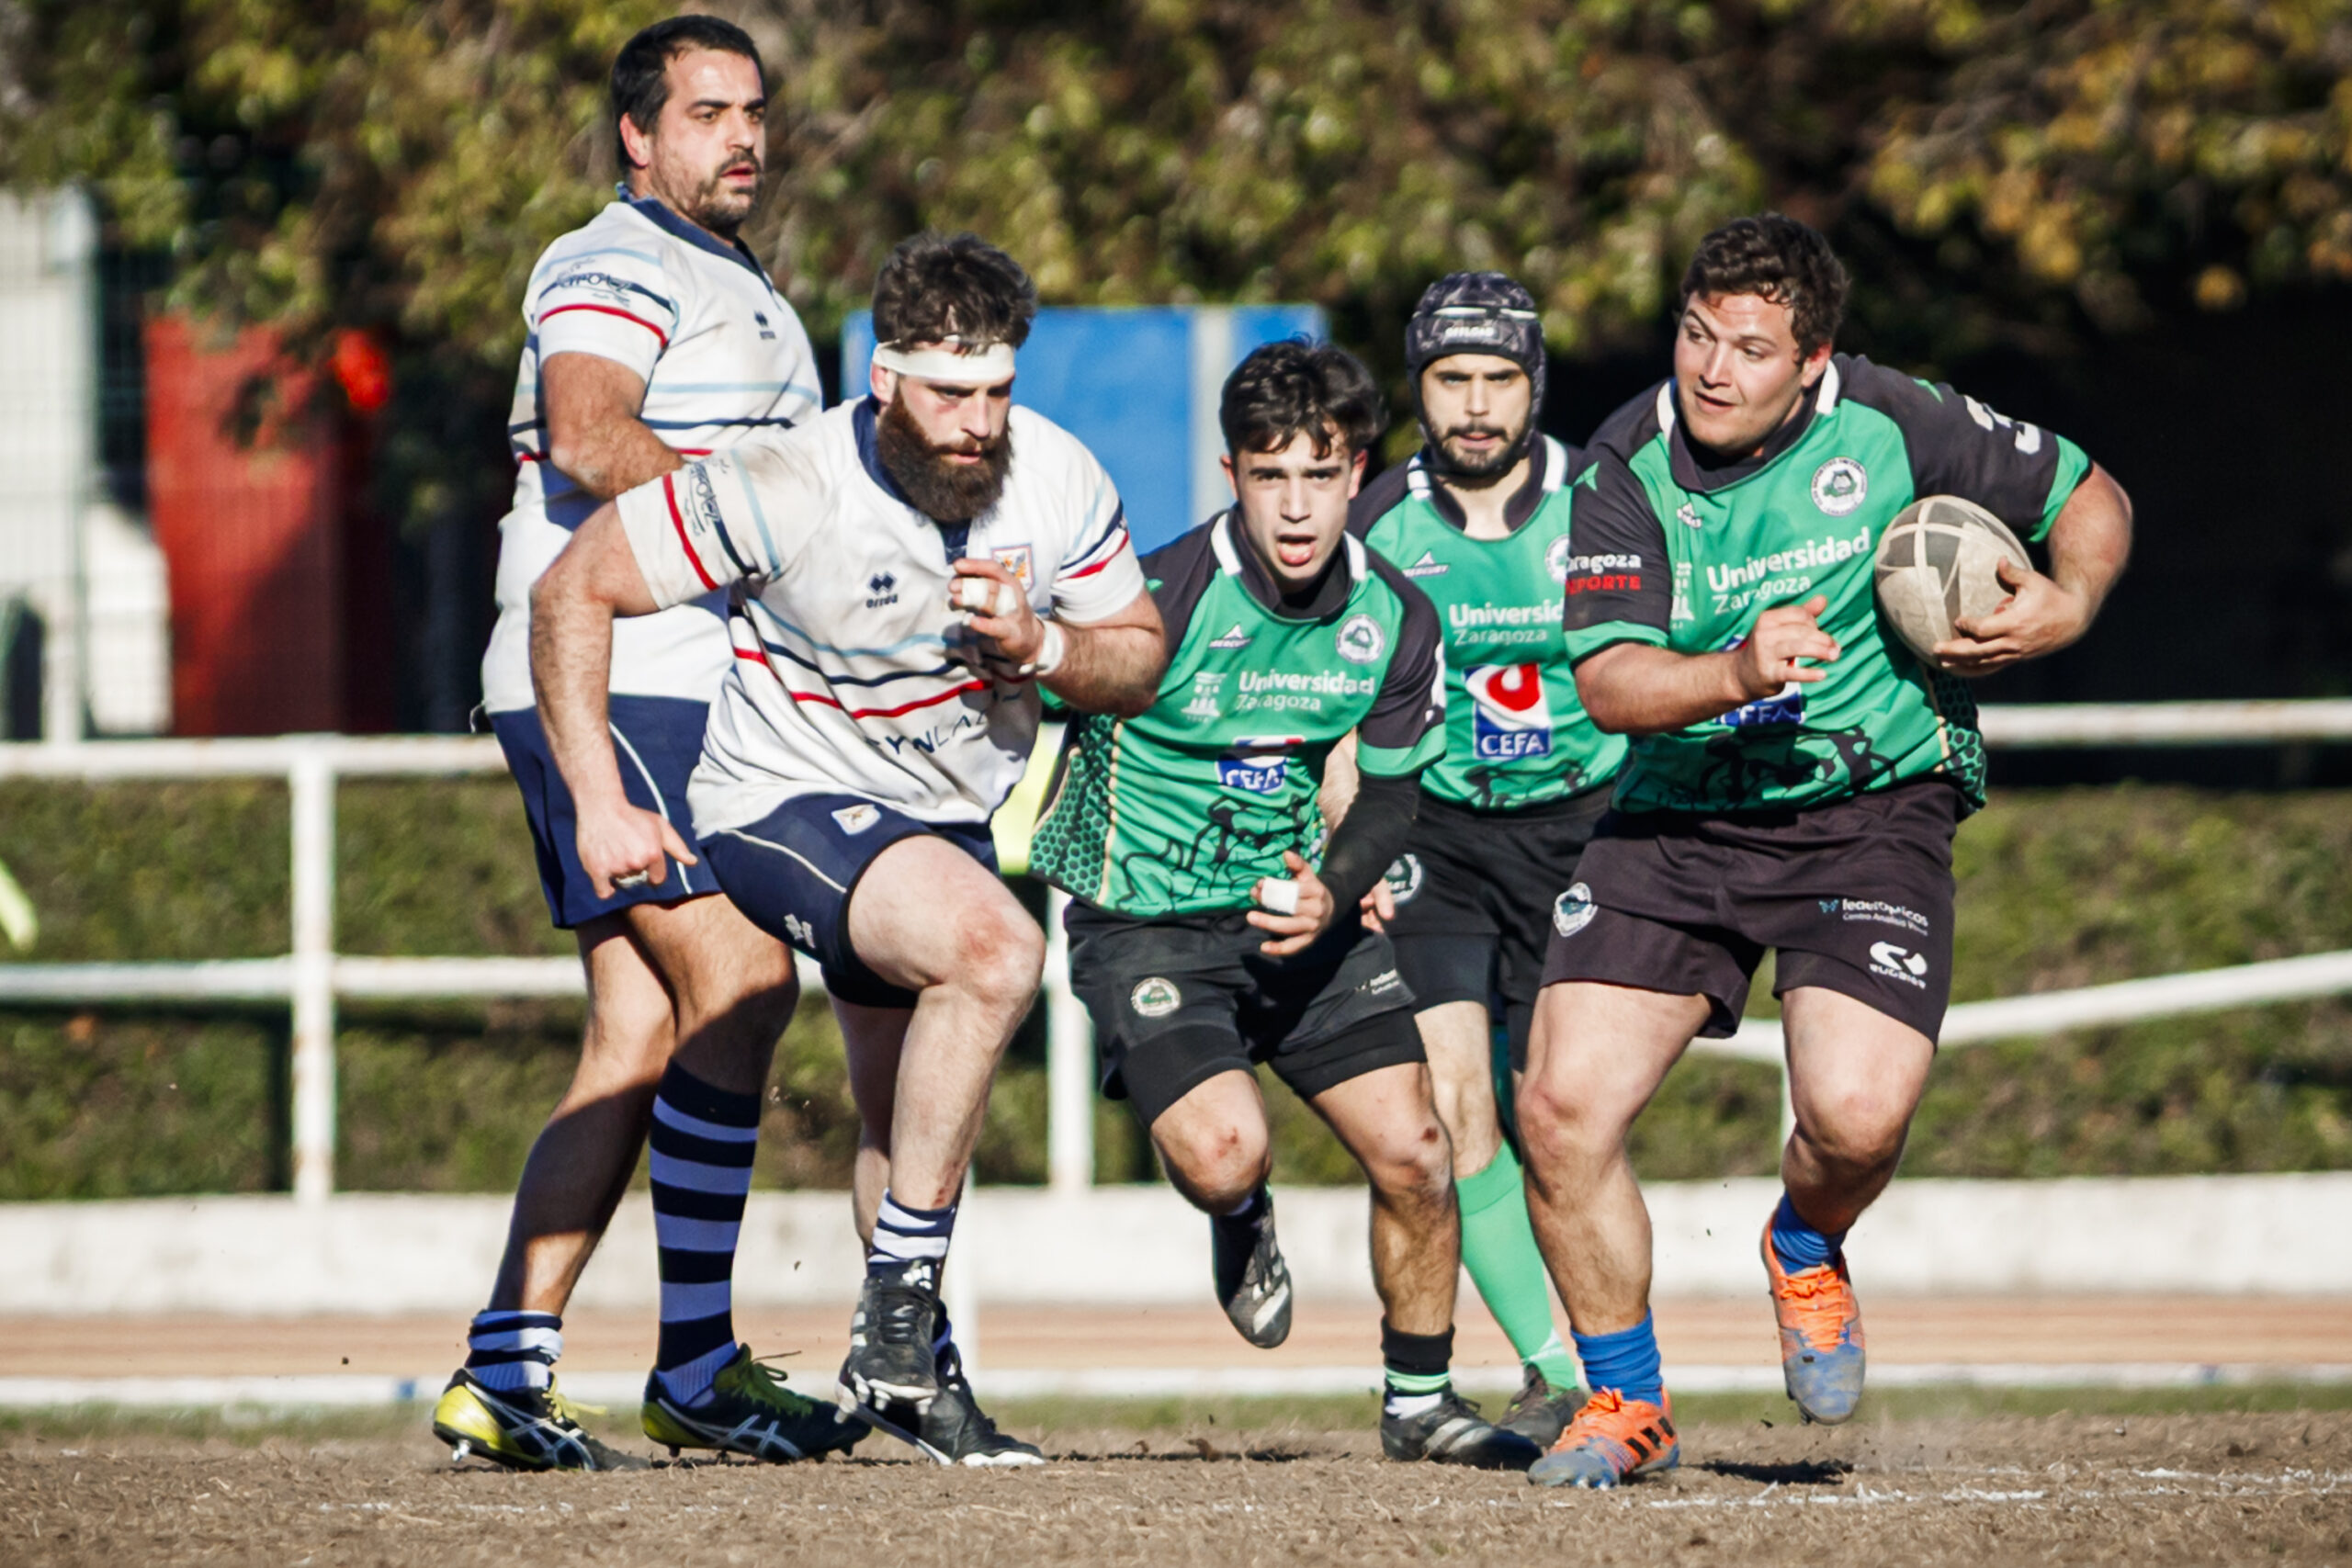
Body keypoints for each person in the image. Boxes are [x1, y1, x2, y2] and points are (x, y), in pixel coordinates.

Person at [529, 231, 1166, 1466]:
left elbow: (1136, 648)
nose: (978, 424)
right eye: (948, 391)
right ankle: (891, 1326)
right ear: (883, 378)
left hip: (937, 818)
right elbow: (571, 589)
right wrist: (601, 802)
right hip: (777, 802)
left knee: (902, 1111)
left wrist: (1043, 649)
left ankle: (913, 1372)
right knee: (994, 951)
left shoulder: (1059, 477)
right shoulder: (784, 479)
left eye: (997, 392)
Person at [1517, 213, 2132, 1488]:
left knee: (1854, 1117)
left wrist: (2066, 605)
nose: (1713, 368)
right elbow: (1612, 685)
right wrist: (1734, 669)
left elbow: (2091, 496)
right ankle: (1624, 1402)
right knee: (1561, 1106)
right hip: (1681, 813)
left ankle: (1806, 1239)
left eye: (1751, 346)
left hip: (1870, 809)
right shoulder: (1627, 462)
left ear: (1814, 361)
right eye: (1697, 334)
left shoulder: (1899, 422)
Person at [435, 15, 842, 1472]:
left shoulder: (740, 282)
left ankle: (507, 1367)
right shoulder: (613, 257)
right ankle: (699, 1361)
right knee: (740, 970)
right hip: (618, 666)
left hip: (682, 674)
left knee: (638, 1024)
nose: (740, 135)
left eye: (752, 111)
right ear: (638, 134)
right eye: (705, 111)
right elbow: (592, 431)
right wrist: (787, 539)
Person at [1028, 339, 1543, 1471]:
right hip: (1145, 921)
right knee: (1224, 1154)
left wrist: (1334, 888)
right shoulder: (1156, 597)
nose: (1297, 507)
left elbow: (1396, 793)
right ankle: (1238, 1216)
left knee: (1419, 1151)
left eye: (1319, 476)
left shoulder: (1397, 619)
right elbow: (1041, 687)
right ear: (1231, 475)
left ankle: (1419, 1401)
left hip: (1297, 918)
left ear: (1357, 472)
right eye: (1271, 476)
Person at [1340, 272, 1628, 1448]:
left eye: (1497, 379)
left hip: (1589, 827)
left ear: (1534, 388)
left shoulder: (1609, 503)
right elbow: (1333, 695)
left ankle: (1626, 1360)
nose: (1473, 404)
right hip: (1435, 840)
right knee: (1459, 1109)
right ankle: (1554, 1370)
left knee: (1564, 1111)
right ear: (1418, 390)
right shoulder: (1370, 524)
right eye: (1450, 379)